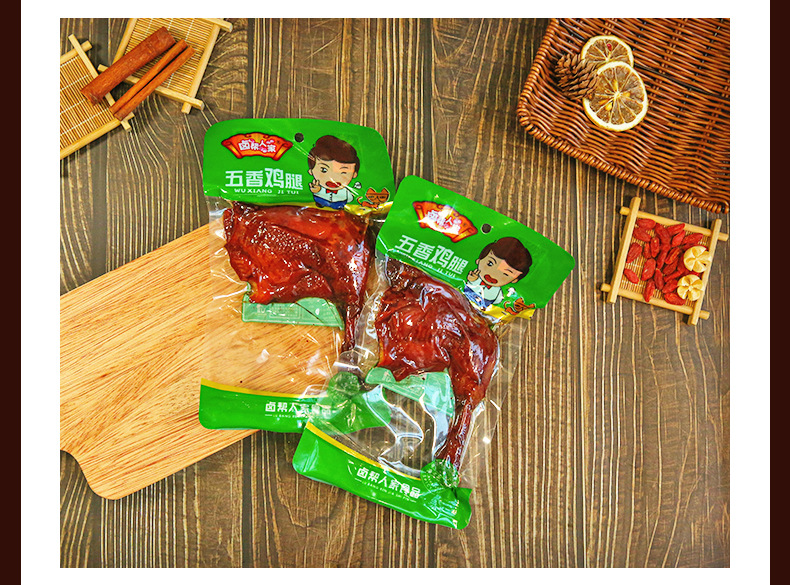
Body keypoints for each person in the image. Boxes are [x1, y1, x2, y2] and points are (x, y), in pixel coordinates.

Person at [464, 236, 533, 312]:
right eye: (490, 263)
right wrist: (473, 280)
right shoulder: (475, 279)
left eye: (506, 273)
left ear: (515, 280)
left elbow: (497, 301)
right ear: (479, 260)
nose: (493, 274)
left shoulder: (497, 292)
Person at [307, 135, 359, 209]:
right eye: (324, 170)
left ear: (354, 174)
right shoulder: (319, 189)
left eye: (343, 172)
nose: (333, 178)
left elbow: (351, 199)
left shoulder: (345, 192)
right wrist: (317, 190)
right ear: (311, 171)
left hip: (340, 206)